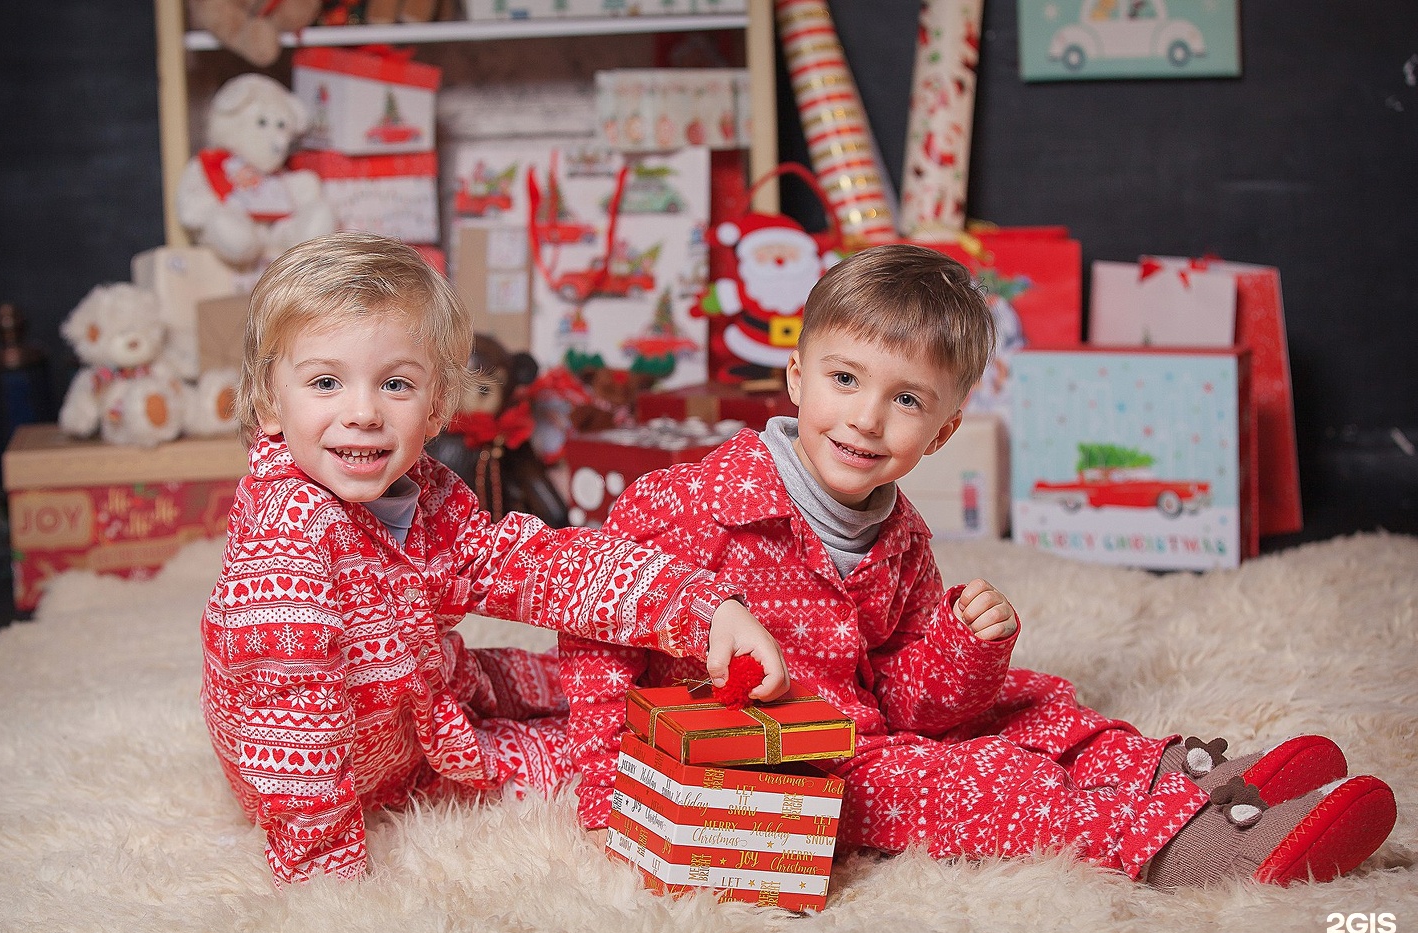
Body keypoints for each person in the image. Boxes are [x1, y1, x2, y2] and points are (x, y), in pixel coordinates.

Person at [560, 243, 1396, 888]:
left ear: (945, 431)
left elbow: (918, 701)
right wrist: (607, 788)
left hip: (866, 724)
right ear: (795, 377)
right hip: (767, 757)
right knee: (978, 782)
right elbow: (595, 637)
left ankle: (1165, 772)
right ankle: (1166, 838)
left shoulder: (901, 536)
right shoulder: (689, 504)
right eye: (845, 379)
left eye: (907, 400)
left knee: (1029, 699)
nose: (866, 419)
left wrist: (966, 645)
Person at [200, 233, 788, 885]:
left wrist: (697, 606)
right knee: (605, 749)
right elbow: (291, 725)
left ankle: (679, 670)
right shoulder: (286, 541)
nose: (362, 412)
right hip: (338, 760)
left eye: (395, 383)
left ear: (437, 406)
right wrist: (322, 872)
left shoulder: (426, 492)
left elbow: (533, 565)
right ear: (267, 404)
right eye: (325, 382)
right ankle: (648, 742)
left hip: (419, 685)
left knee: (579, 674)